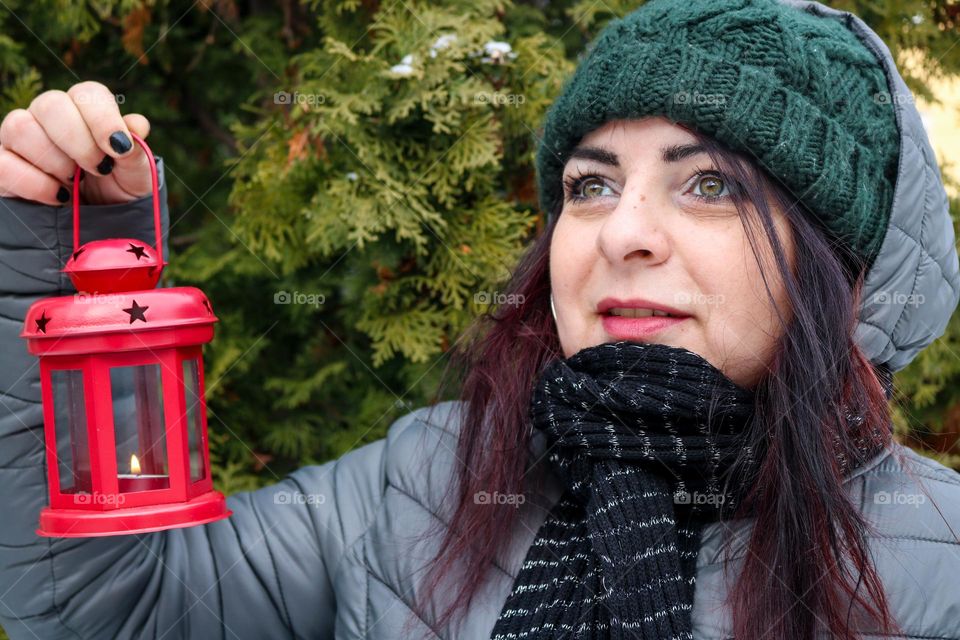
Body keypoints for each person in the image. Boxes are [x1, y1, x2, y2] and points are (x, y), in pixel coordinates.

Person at [1, 0, 960, 638]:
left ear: (847, 266)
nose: (622, 232)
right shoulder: (424, 481)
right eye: (590, 185)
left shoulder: (938, 558)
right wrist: (70, 253)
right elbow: (99, 603)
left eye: (709, 184)